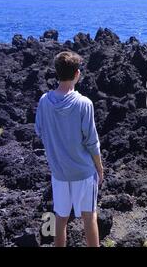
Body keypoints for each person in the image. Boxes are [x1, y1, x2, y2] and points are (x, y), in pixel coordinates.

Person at [35, 51, 104, 247]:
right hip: (83, 172)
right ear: (77, 74)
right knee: (89, 218)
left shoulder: (44, 101)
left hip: (59, 173)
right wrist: (99, 168)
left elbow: (40, 131)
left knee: (60, 219)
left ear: (57, 73)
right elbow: (92, 142)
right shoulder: (84, 103)